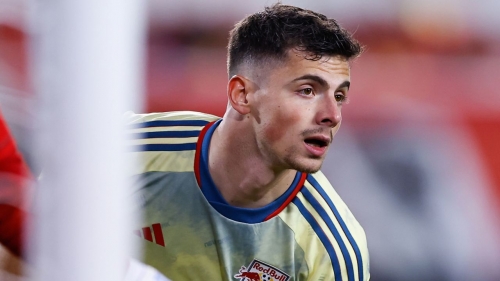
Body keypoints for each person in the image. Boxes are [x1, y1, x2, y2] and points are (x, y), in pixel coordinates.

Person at [128, 4, 369, 281]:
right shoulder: (126, 152)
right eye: (307, 90)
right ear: (242, 95)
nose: (332, 116)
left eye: (339, 96)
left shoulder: (332, 250)